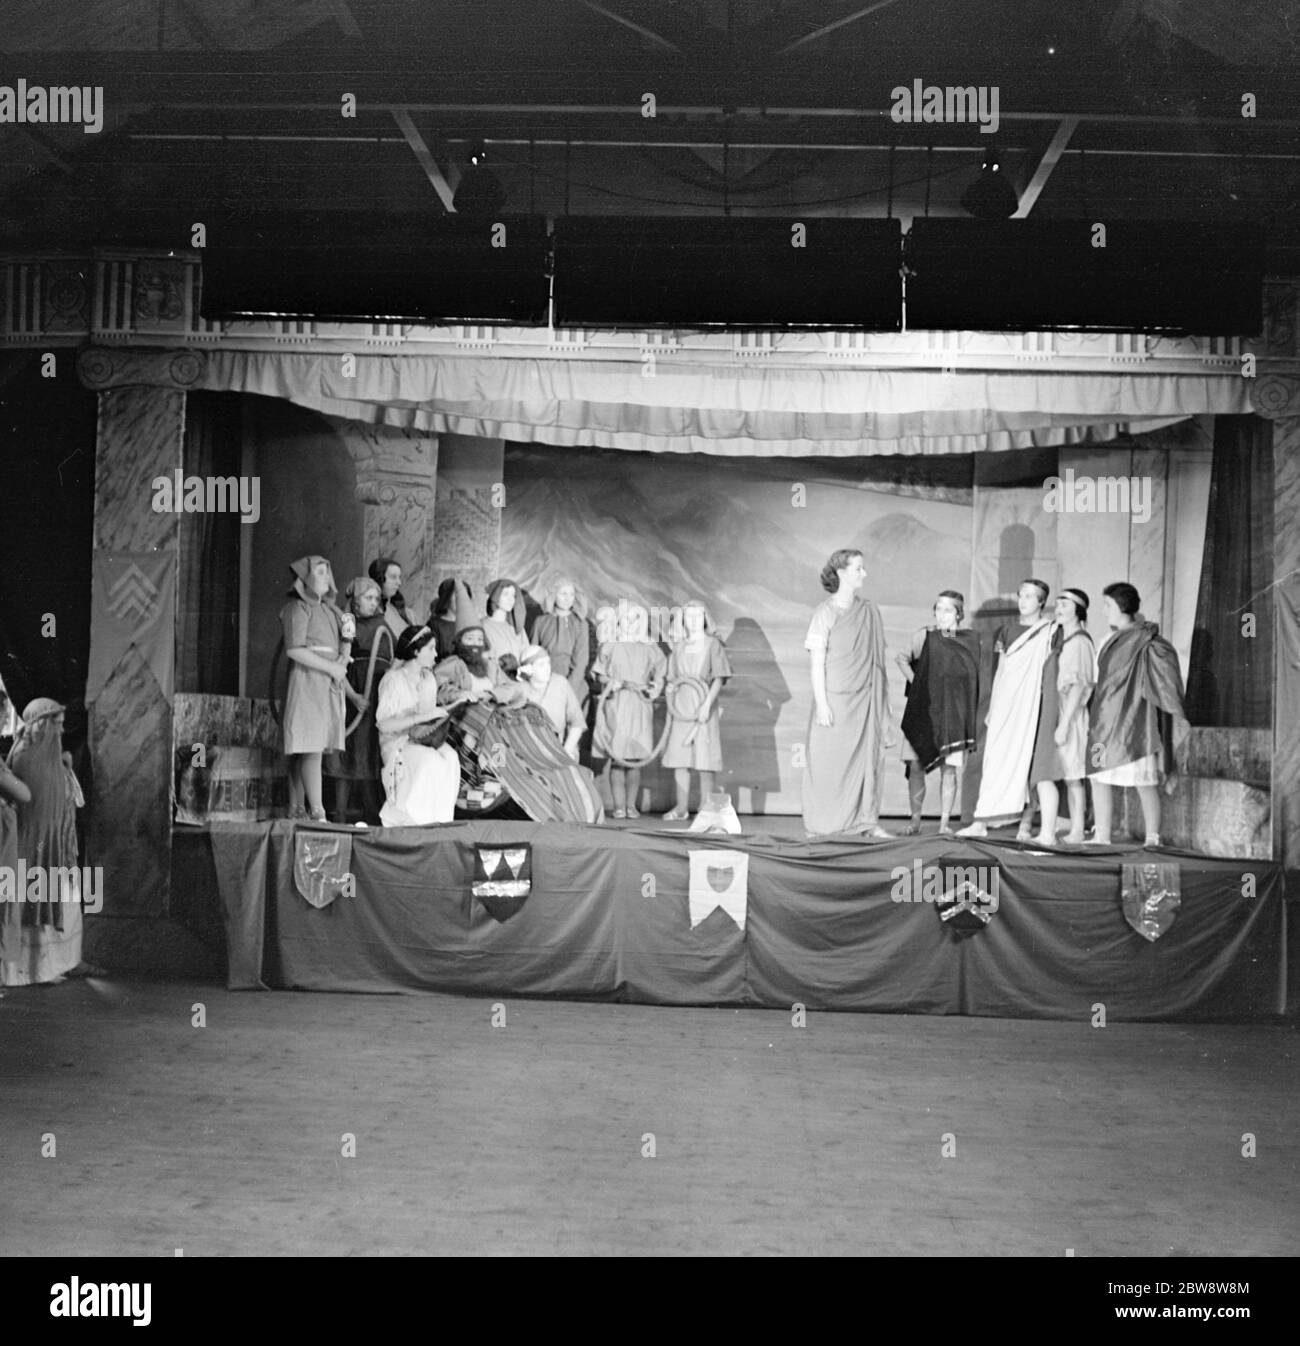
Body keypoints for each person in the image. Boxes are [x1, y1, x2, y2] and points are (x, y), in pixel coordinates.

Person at [1087, 582, 1189, 847]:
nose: (1103, 610)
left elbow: (1164, 680)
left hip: (1135, 719)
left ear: (1122, 606)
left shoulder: (1149, 641)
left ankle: (1153, 839)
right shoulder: (1106, 640)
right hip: (1104, 719)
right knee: (1098, 776)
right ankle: (1102, 835)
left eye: (1107, 605)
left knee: (1143, 780)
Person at [801, 549, 893, 838]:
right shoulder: (824, 613)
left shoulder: (868, 611)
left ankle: (865, 822)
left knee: (866, 761)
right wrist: (822, 704)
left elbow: (878, 662)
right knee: (828, 765)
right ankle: (823, 826)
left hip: (864, 701)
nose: (864, 574)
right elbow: (817, 663)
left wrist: (883, 707)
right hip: (835, 700)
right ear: (841, 572)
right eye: (858, 569)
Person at [0, 699, 92, 985]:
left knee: (66, 904)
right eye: (57, 723)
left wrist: (66, 766)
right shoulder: (27, 755)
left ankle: (66, 962)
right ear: (42, 724)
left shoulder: (51, 755)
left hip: (57, 845)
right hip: (36, 847)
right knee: (36, 904)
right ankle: (38, 969)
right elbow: (30, 801)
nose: (61, 729)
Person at [957, 578, 1055, 839]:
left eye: (1030, 596)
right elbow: (1001, 670)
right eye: (1021, 595)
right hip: (1005, 705)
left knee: (1029, 761)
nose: (1023, 601)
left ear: (1042, 601)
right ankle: (981, 821)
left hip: (1032, 704)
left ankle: (1026, 823)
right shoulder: (1006, 631)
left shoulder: (1050, 631)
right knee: (992, 761)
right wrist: (993, 706)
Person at [896, 590, 981, 836]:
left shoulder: (968, 640)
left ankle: (944, 823)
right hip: (923, 711)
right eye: (938, 608)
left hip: (953, 714)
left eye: (948, 609)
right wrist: (917, 686)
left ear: (958, 613)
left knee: (949, 769)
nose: (941, 614)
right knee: (915, 765)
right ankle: (915, 821)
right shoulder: (924, 636)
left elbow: (974, 679)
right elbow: (902, 658)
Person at [280, 555, 354, 821]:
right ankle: (317, 811)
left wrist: (343, 659)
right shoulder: (297, 609)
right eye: (320, 572)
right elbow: (294, 650)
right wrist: (331, 667)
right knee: (309, 746)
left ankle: (299, 808)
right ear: (305, 578)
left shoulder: (335, 611)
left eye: (327, 572)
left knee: (315, 746)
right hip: (308, 680)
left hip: (329, 682)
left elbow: (347, 636)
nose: (326, 577)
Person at [1028, 588, 1096, 846]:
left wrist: (1065, 724)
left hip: (1071, 715)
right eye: (1057, 604)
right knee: (1063, 773)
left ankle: (1078, 829)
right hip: (1057, 713)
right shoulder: (1061, 641)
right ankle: (1065, 828)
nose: (1059, 608)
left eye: (1065, 604)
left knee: (1073, 774)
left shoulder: (1080, 642)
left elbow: (1080, 686)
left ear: (1078, 610)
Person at [375, 625, 462, 827]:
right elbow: (384, 725)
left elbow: (428, 721)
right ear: (415, 651)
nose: (436, 653)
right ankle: (413, 820)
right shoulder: (393, 680)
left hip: (421, 739)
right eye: (431, 648)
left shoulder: (428, 679)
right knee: (429, 760)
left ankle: (440, 821)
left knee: (451, 757)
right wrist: (418, 718)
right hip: (397, 743)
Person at [323, 576, 392, 825]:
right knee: (348, 751)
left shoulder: (382, 623)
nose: (374, 603)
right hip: (354, 693)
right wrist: (352, 696)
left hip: (376, 694)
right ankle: (340, 812)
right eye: (368, 598)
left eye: (376, 598)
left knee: (369, 752)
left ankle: (370, 811)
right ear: (355, 600)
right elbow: (339, 663)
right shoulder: (348, 622)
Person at [592, 602, 666, 820]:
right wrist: (611, 683)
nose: (631, 623)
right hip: (616, 705)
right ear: (619, 621)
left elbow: (660, 676)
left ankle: (631, 805)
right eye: (626, 618)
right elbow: (598, 674)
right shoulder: (609, 645)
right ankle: (618, 806)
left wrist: (653, 689)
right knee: (618, 758)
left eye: (635, 618)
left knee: (635, 759)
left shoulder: (650, 647)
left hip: (640, 705)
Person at [661, 600, 732, 822]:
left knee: (704, 760)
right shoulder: (679, 647)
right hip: (682, 708)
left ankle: (705, 809)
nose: (692, 621)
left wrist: (706, 706)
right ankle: (681, 808)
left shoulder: (713, 645)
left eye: (696, 616)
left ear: (704, 618)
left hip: (704, 708)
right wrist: (671, 689)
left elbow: (719, 677)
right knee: (680, 759)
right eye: (688, 617)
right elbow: (672, 679)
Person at [529, 577, 592, 710]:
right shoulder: (541, 622)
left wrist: (566, 690)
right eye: (563, 593)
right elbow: (532, 656)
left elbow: (581, 661)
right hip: (544, 681)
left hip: (573, 684)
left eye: (571, 594)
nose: (567, 598)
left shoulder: (581, 624)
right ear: (553, 595)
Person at [518, 645, 585, 759]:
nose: (547, 668)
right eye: (541, 665)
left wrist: (566, 751)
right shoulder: (519, 691)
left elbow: (577, 723)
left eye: (548, 663)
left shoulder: (560, 684)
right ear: (528, 669)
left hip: (559, 750)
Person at [482, 578, 530, 667]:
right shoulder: (483, 626)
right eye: (505, 594)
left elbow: (527, 654)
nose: (511, 599)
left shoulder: (517, 627)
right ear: (495, 596)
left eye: (513, 595)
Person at [369, 557, 410, 641]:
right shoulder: (365, 610)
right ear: (380, 579)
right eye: (393, 577)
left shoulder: (399, 610)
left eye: (399, 577)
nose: (399, 583)